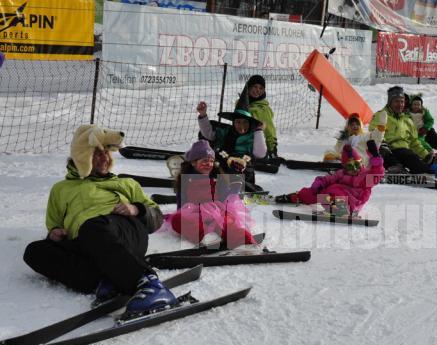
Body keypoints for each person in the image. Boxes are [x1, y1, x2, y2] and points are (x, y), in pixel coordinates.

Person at [23, 124, 174, 316]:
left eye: (106, 154)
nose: (104, 158)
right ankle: (106, 282)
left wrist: (136, 209)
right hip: (87, 243)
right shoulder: (61, 189)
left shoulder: (125, 183)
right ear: (82, 157)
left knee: (92, 227)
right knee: (34, 251)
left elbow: (157, 218)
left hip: (124, 232)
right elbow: (54, 224)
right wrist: (54, 233)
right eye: (97, 154)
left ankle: (149, 284)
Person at [167, 140, 256, 248]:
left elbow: (229, 197)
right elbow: (181, 203)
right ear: (193, 162)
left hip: (217, 213)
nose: (208, 164)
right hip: (195, 215)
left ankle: (245, 241)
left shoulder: (217, 179)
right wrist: (179, 216)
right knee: (177, 220)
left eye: (211, 161)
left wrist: (236, 179)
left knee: (229, 225)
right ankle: (207, 236)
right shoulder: (185, 180)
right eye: (204, 161)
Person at [275, 143, 385, 216]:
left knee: (332, 192)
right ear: (344, 167)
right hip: (334, 199)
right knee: (318, 191)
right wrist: (319, 182)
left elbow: (377, 175)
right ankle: (297, 197)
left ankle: (340, 209)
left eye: (357, 164)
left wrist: (377, 162)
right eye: (350, 166)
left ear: (361, 163)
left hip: (353, 205)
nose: (354, 169)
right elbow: (329, 178)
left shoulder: (364, 177)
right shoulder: (341, 174)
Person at [197, 92, 267, 187]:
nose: (242, 126)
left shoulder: (252, 137)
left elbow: (260, 153)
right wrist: (203, 115)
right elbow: (208, 134)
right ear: (233, 122)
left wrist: (258, 130)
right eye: (238, 122)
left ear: (250, 124)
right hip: (220, 167)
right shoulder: (225, 131)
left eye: (245, 122)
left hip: (243, 173)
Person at [368, 86, 435, 174]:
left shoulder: (407, 120)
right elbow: (373, 133)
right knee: (388, 152)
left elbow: (414, 142)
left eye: (402, 102)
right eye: (396, 101)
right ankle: (395, 167)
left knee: (414, 160)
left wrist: (425, 154)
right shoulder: (381, 115)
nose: (400, 105)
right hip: (387, 151)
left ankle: (425, 172)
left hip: (404, 152)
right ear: (390, 102)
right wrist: (383, 144)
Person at [242, 75, 279, 161]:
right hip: (241, 145)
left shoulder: (262, 109)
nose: (257, 90)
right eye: (255, 86)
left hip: (256, 148)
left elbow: (269, 130)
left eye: (261, 88)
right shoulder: (241, 103)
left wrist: (272, 149)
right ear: (249, 87)